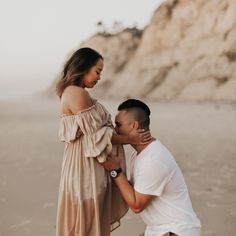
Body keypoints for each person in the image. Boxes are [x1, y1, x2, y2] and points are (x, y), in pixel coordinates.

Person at [55, 48, 151, 236]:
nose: (99, 77)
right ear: (82, 68)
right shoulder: (76, 93)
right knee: (88, 220)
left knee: (89, 219)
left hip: (87, 164)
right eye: (97, 71)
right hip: (84, 168)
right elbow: (95, 135)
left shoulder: (77, 92)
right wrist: (129, 139)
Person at [102, 99, 201, 236]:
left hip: (177, 230)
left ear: (134, 125)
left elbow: (136, 205)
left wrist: (116, 171)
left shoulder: (154, 159)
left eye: (118, 125)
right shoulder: (138, 155)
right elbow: (130, 190)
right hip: (157, 229)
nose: (115, 130)